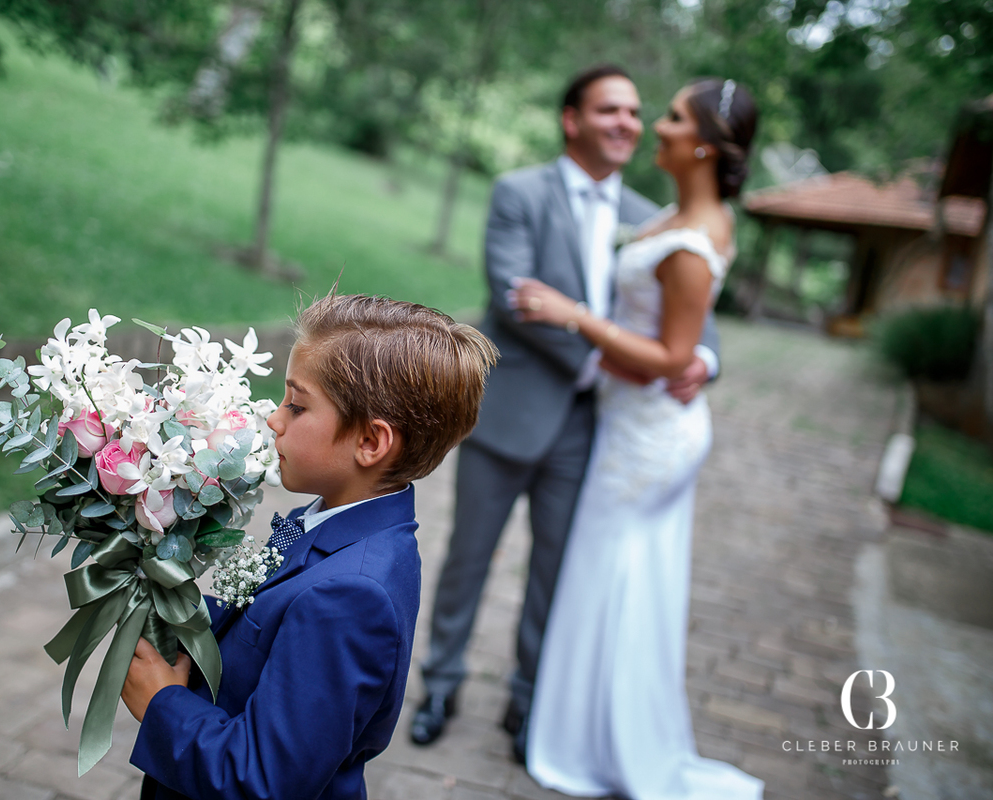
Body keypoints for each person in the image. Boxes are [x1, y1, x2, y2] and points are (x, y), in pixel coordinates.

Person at [411, 64, 721, 758]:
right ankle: (440, 685)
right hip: (512, 409)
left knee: (558, 573)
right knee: (468, 559)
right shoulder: (519, 190)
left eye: (637, 113)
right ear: (572, 119)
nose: (627, 124)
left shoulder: (655, 218)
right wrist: (603, 360)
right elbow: (513, 296)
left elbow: (699, 313)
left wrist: (705, 361)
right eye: (610, 110)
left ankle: (529, 704)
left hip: (596, 430)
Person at [120, 294, 498, 799]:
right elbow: (268, 630)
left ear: (371, 442)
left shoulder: (351, 596)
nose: (275, 420)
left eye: (297, 406)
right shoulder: (334, 522)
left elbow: (265, 780)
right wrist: (177, 609)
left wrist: (162, 703)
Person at [510, 78, 763, 798]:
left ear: (705, 145)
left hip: (650, 437)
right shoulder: (679, 214)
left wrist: (573, 316)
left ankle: (604, 745)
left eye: (674, 118)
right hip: (625, 421)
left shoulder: (694, 234)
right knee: (619, 577)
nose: (657, 125)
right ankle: (584, 728)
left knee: (612, 577)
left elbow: (675, 357)